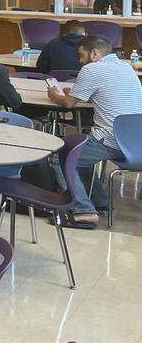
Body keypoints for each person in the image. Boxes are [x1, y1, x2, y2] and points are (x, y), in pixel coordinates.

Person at [47, 34, 142, 226]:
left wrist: (55, 95)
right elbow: (109, 94)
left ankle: (82, 209)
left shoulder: (92, 69)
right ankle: (100, 200)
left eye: (82, 56)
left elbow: (67, 104)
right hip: (136, 140)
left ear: (95, 53)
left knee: (62, 155)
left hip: (113, 138)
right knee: (82, 156)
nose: (80, 62)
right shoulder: (126, 66)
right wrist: (77, 93)